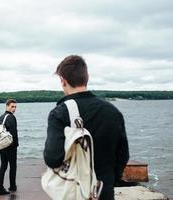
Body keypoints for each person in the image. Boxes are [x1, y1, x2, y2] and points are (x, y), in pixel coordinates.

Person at [43, 55, 129, 200]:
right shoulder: (113, 112)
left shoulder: (60, 113)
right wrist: (109, 180)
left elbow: (53, 158)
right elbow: (123, 155)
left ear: (63, 81)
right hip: (104, 191)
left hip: (74, 192)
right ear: (86, 77)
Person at [0, 99, 19, 195]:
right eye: (12, 106)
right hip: (10, 147)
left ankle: (0, 188)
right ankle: (12, 186)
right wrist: (15, 145)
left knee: (3, 165)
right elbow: (14, 134)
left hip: (1, 146)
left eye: (15, 107)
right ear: (7, 106)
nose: (14, 109)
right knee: (13, 166)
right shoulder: (11, 118)